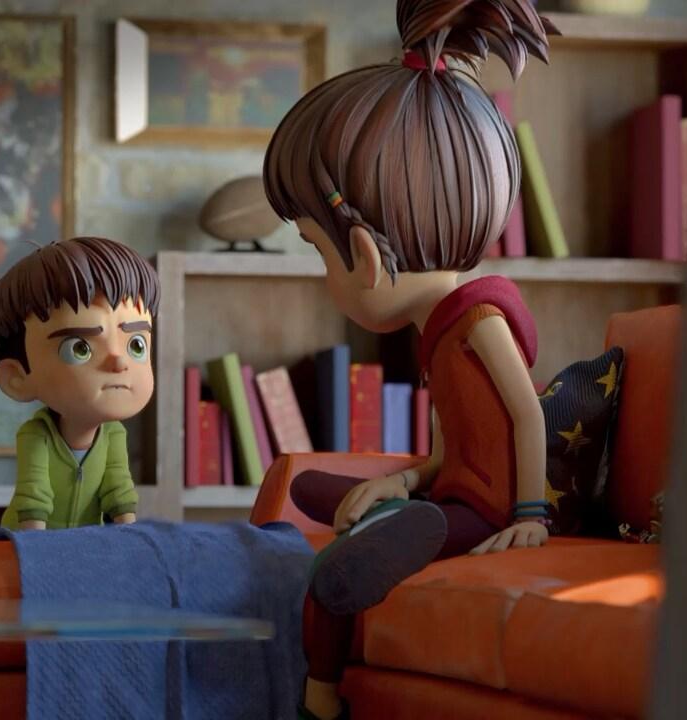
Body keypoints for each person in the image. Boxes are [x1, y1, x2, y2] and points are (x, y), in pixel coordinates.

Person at [261, 1, 557, 717]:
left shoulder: (480, 321)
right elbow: (452, 445)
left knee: (336, 572)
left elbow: (527, 415)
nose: (324, 274)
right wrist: (403, 479)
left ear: (364, 254)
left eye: (318, 250)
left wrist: (530, 514)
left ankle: (320, 701)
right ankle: (387, 509)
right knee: (319, 490)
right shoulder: (440, 332)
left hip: (478, 512)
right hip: (446, 493)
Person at [0, 236, 158, 531]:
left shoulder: (113, 434)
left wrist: (131, 540)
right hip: (28, 543)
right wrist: (36, 551)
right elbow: (33, 498)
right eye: (80, 348)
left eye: (136, 345)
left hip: (86, 544)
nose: (119, 363)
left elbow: (119, 492)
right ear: (17, 377)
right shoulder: (37, 436)